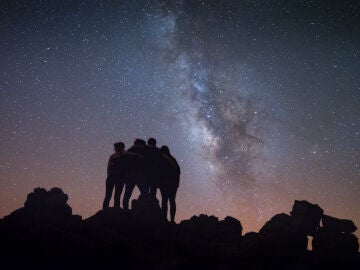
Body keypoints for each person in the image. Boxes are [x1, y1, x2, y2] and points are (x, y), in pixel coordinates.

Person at [159, 145, 180, 222]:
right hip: (173, 184)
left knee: (164, 201)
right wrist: (177, 183)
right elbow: (178, 171)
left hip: (164, 183)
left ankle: (164, 219)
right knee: (172, 201)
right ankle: (172, 220)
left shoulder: (160, 160)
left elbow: (159, 172)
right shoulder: (173, 159)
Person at [102, 142, 126, 209]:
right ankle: (115, 209)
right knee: (115, 195)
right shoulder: (122, 154)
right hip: (118, 177)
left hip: (113, 177)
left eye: (116, 147)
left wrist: (109, 175)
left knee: (110, 195)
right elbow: (108, 167)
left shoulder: (113, 156)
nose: (115, 148)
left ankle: (106, 209)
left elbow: (108, 167)